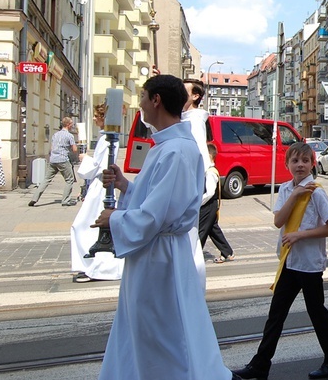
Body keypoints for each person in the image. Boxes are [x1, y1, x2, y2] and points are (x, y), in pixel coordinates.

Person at [92, 75, 235, 380]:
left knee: (161, 334)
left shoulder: (176, 151)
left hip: (160, 259)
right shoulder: (168, 147)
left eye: (143, 96)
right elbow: (156, 200)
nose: (140, 103)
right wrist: (125, 187)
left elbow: (155, 216)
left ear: (156, 100)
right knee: (145, 330)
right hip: (155, 255)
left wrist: (113, 219)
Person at [233, 142, 328, 380]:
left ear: (313, 164)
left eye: (305, 161)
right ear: (286, 165)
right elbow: (278, 221)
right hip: (289, 263)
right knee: (276, 315)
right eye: (295, 161)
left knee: (317, 313)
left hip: (309, 264)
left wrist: (300, 235)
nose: (300, 165)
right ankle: (260, 365)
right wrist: (294, 195)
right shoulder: (285, 189)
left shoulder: (317, 192)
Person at [70, 104, 123, 283]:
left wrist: (86, 160)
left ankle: (96, 266)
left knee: (86, 225)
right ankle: (89, 264)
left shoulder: (108, 140)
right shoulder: (103, 138)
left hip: (101, 188)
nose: (94, 119)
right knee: (85, 226)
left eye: (96, 116)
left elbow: (103, 166)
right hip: (97, 187)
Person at [182, 77, 210, 292]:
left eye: (184, 91)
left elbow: (199, 158)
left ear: (195, 96)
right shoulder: (184, 118)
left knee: (189, 242)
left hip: (188, 192)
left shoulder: (194, 121)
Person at [29, 117, 78, 207]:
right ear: (68, 125)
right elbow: (74, 149)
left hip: (53, 159)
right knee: (69, 180)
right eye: (71, 124)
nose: (72, 125)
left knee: (46, 180)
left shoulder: (55, 135)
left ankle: (34, 198)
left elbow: (51, 148)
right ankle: (66, 200)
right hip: (63, 159)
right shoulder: (69, 136)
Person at [199, 143, 235, 264]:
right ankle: (227, 252)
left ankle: (194, 254)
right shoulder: (207, 171)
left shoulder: (210, 172)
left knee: (201, 230)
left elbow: (209, 193)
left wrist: (198, 203)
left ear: (208, 155)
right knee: (213, 230)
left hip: (208, 205)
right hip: (210, 205)